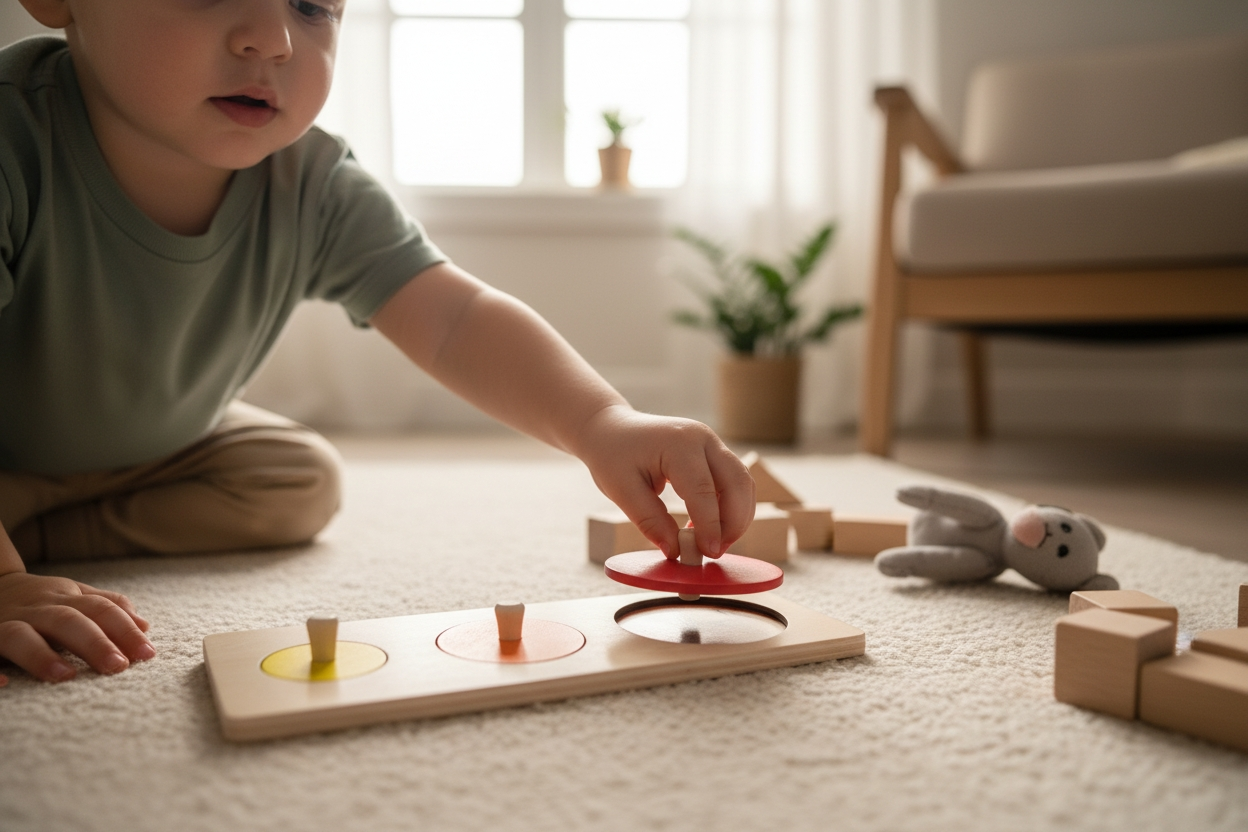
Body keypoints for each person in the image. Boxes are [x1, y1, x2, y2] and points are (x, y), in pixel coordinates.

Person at [0, 0, 755, 686]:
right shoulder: (14, 140)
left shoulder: (312, 178)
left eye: (313, 7)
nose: (273, 38)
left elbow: (453, 318)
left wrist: (603, 424)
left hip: (165, 443)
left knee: (298, 479)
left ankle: (38, 524)